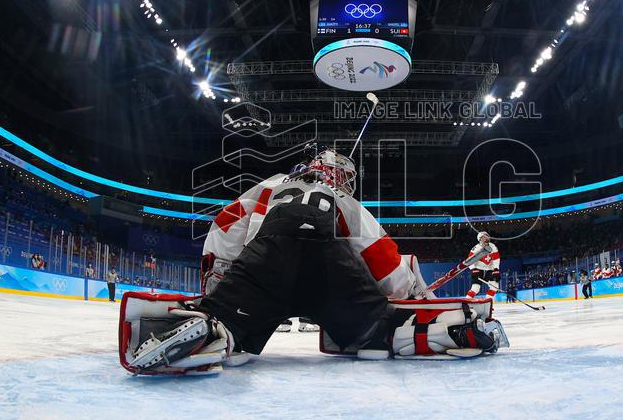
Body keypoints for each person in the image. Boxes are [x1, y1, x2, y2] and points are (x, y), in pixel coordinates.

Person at [119, 147, 507, 374]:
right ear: (340, 177)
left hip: (264, 263)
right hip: (328, 270)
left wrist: (218, 288)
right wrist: (405, 299)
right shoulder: (343, 200)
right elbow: (380, 256)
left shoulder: (270, 185)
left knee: (229, 324)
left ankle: (212, 328)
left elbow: (222, 230)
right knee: (376, 332)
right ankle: (431, 330)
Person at [466, 231, 500, 299]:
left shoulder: (493, 246)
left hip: (490, 269)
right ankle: (466, 302)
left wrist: (496, 269)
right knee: (476, 288)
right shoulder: (476, 248)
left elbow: (496, 259)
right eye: (484, 237)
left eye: (487, 236)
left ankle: (488, 302)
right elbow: (469, 261)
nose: (486, 238)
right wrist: (473, 269)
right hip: (478, 269)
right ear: (479, 239)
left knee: (494, 286)